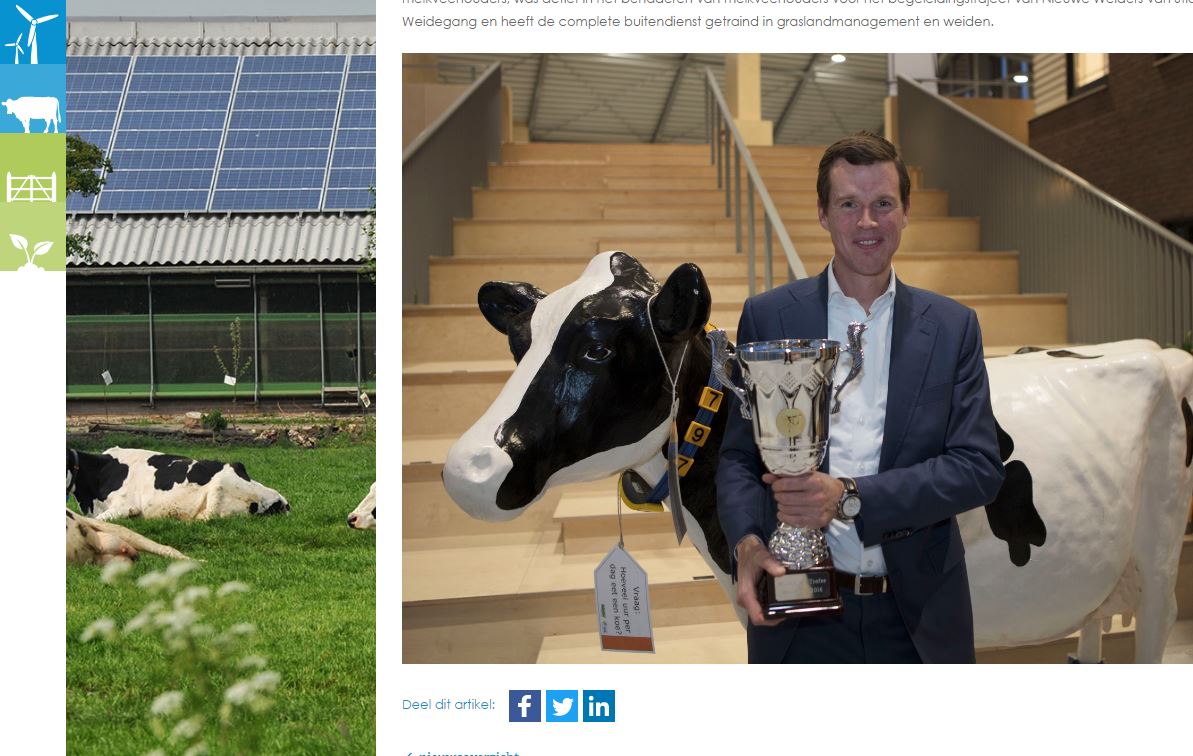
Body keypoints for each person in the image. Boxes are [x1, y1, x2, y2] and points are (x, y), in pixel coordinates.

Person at [715, 132, 1005, 663]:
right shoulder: (769, 317)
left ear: (906, 211)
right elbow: (738, 456)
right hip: (801, 612)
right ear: (823, 213)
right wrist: (748, 544)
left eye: (882, 204)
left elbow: (978, 467)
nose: (867, 223)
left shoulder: (952, 327)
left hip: (918, 617)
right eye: (849, 204)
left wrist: (849, 495)